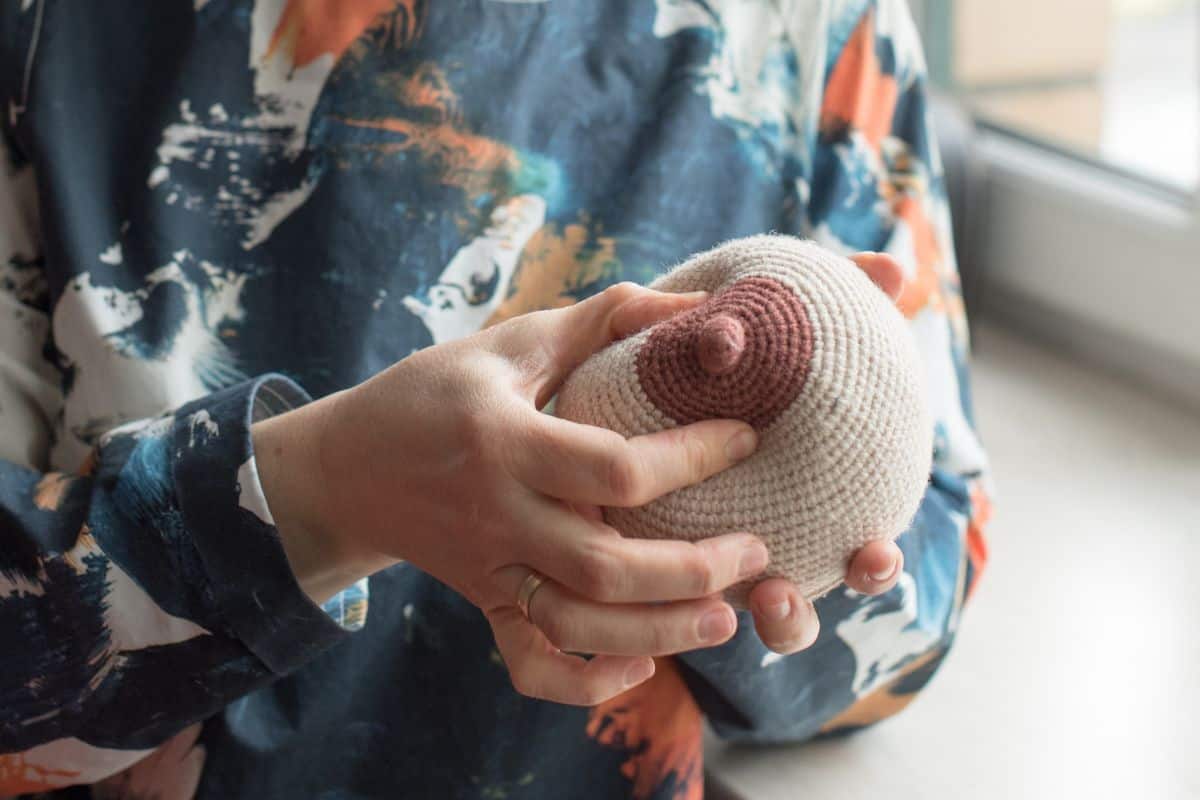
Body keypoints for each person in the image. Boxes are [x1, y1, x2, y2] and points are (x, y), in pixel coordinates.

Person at [0, 1, 990, 797]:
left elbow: (922, 591)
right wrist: (325, 491)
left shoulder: (820, 29)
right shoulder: (46, 38)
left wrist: (736, 565)